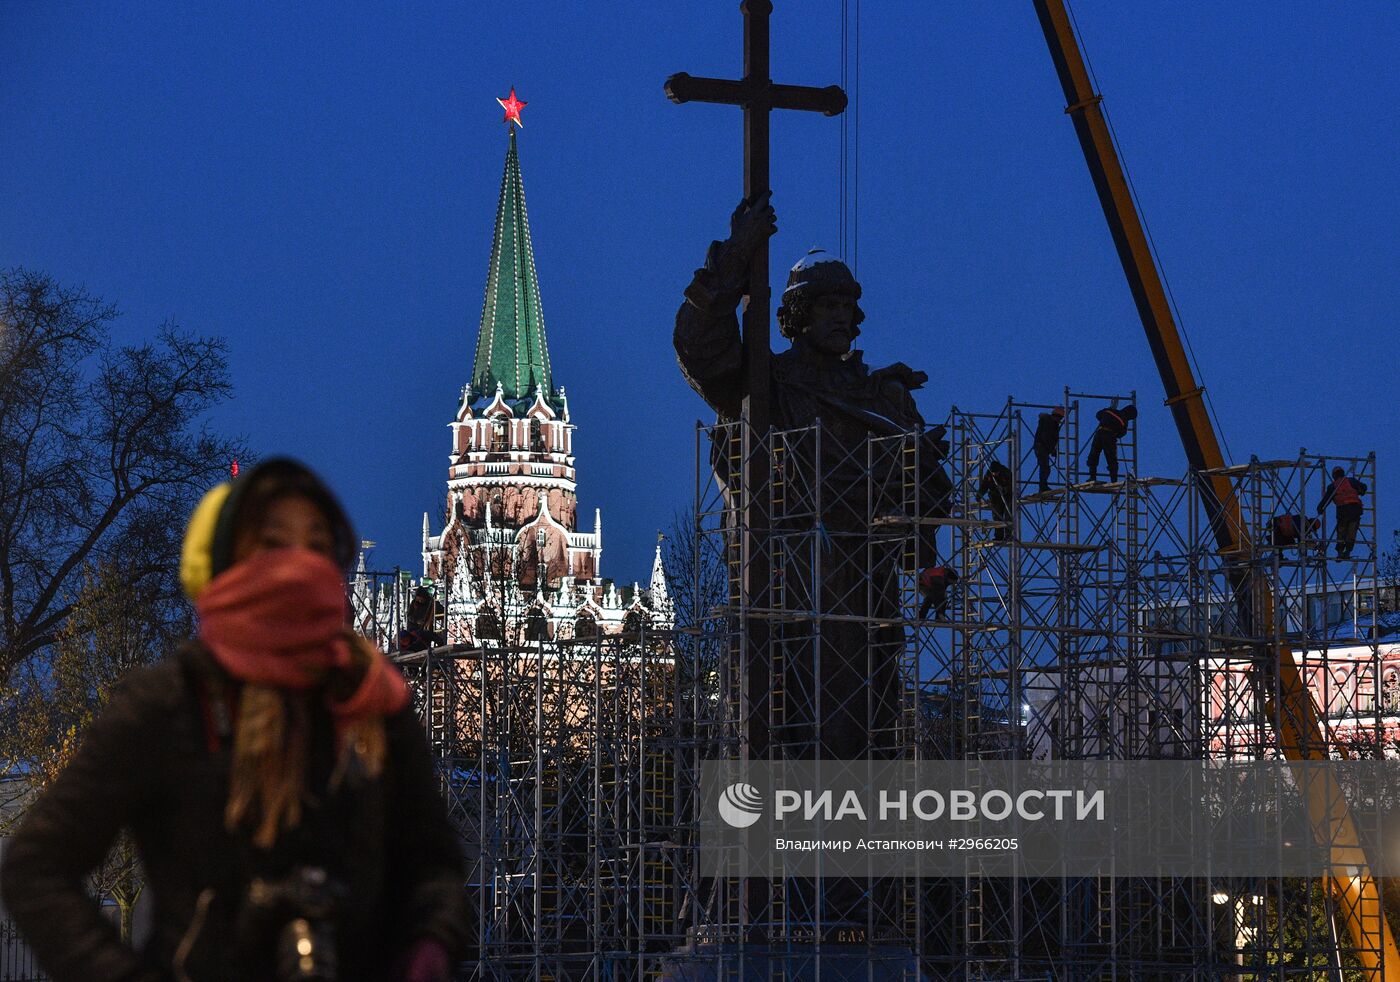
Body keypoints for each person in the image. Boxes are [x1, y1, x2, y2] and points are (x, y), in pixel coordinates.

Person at [0, 458, 469, 982]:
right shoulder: (170, 700)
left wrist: (429, 945)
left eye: (316, 544)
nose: (298, 564)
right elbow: (35, 868)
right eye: (273, 544)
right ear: (229, 560)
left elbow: (436, 867)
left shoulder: (372, 699)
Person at [1317, 466, 1368, 559]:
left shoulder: (1333, 486)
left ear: (1334, 475)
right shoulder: (1351, 481)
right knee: (1352, 531)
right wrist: (1360, 491)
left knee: (1341, 531)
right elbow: (1364, 487)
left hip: (1343, 510)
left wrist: (1320, 508)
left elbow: (1326, 499)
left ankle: (1340, 552)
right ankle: (1347, 551)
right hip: (1355, 509)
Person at [1086, 403, 1137, 483]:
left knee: (1094, 455)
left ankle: (1092, 476)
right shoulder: (1124, 420)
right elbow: (1122, 433)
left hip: (1099, 432)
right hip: (1110, 436)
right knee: (1111, 458)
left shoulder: (1110, 410)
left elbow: (1098, 415)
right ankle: (1114, 480)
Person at [1032, 405, 1066, 494]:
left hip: (1042, 447)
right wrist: (1051, 449)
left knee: (1045, 468)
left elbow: (1049, 438)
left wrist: (1052, 449)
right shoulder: (1048, 422)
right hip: (1041, 447)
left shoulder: (1051, 423)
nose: (1060, 421)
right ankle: (1043, 486)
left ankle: (1043, 486)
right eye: (1060, 418)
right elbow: (1046, 437)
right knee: (1045, 468)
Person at [979, 460, 1015, 541]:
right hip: (995, 497)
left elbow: (1011, 485)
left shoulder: (1006, 472)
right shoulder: (989, 474)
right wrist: (979, 494)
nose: (994, 474)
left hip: (1006, 497)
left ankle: (1008, 535)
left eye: (996, 472)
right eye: (993, 473)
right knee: (997, 516)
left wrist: (1004, 489)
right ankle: (999, 536)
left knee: (1008, 516)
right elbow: (984, 485)